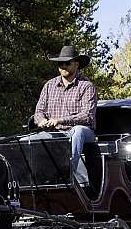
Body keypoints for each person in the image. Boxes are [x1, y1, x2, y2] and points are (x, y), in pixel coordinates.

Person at [33, 45, 97, 186]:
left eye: (67, 63)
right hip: (55, 132)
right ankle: (32, 180)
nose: (63, 66)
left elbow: (87, 116)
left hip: (83, 132)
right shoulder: (49, 85)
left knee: (78, 131)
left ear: (76, 64)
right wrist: (42, 121)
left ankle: (66, 174)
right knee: (29, 140)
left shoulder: (86, 86)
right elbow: (38, 111)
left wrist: (61, 120)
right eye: (60, 64)